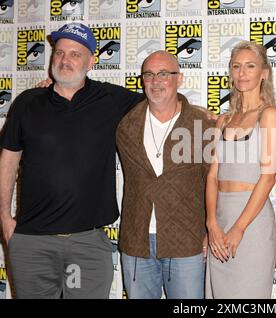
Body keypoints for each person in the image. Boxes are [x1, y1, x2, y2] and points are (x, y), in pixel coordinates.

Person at [0, 23, 143, 298]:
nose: (65, 60)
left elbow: (161, 102)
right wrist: (5, 218)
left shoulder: (110, 99)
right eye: (59, 53)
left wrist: (197, 111)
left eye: (75, 54)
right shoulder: (27, 102)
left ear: (91, 61)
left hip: (86, 245)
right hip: (32, 242)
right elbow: (8, 160)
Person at [116, 50, 215, 299]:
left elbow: (213, 182)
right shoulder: (127, 125)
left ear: (179, 79)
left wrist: (210, 230)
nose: (155, 81)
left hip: (186, 241)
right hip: (137, 242)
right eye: (148, 75)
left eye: (163, 73)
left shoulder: (200, 124)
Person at [205, 41, 276, 299]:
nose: (242, 72)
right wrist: (212, 224)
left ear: (264, 73)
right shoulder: (224, 120)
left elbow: (268, 178)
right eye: (237, 66)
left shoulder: (269, 114)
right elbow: (212, 176)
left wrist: (239, 228)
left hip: (252, 222)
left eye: (250, 66)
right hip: (221, 218)